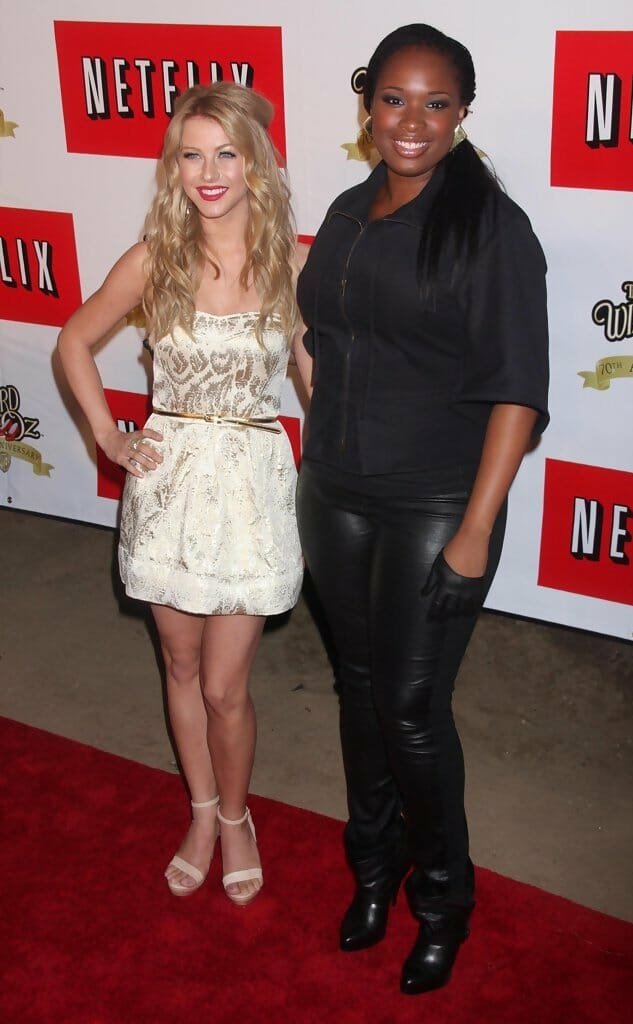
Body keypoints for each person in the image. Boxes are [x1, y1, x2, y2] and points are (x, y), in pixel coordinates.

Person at [294, 24, 549, 994]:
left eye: (436, 103)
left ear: (463, 113)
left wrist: (475, 531)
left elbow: (516, 391)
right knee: (358, 689)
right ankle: (374, 868)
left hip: (438, 499)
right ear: (368, 104)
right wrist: (320, 421)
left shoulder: (490, 229)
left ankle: (443, 899)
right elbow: (324, 335)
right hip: (336, 491)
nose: (412, 121)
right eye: (394, 99)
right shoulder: (348, 211)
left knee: (409, 708)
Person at [58, 82, 305, 907]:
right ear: (174, 167)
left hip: (252, 492)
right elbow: (73, 339)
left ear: (255, 161)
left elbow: (318, 383)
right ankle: (201, 813)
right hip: (168, 491)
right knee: (180, 663)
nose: (209, 172)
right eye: (191, 155)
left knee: (226, 686)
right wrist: (108, 437)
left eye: (226, 153)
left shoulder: (292, 264)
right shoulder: (153, 258)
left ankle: (237, 817)